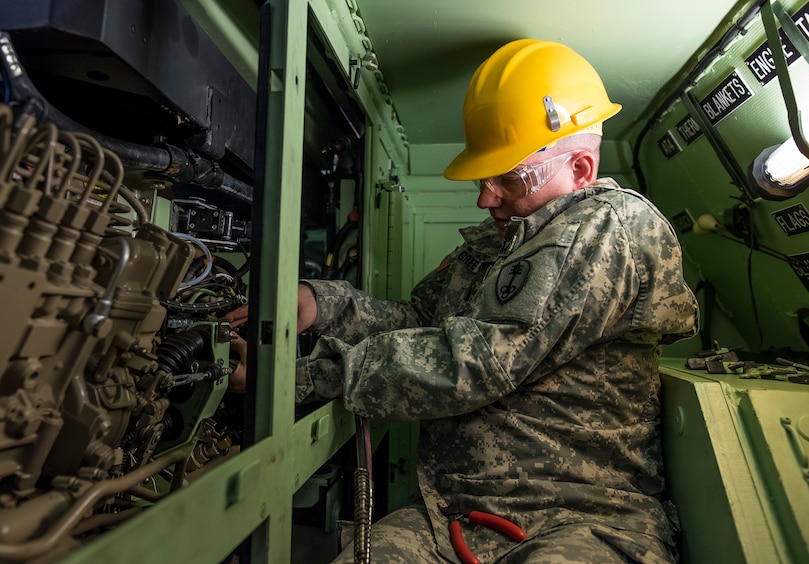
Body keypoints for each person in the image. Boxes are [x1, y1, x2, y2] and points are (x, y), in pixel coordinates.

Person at [226, 38, 699, 563]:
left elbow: (475, 361)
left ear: (581, 170)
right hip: (451, 514)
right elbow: (418, 323)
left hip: (579, 520)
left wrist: (299, 376)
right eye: (483, 176)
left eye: (507, 178)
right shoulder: (497, 246)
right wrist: (321, 304)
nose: (485, 197)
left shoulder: (607, 229)